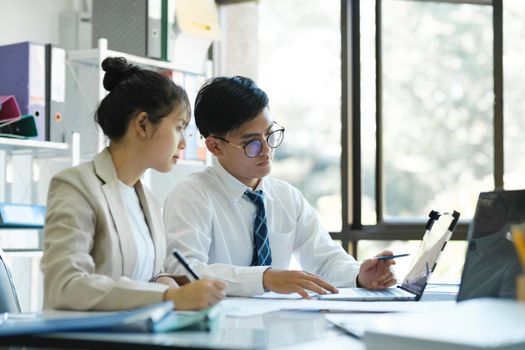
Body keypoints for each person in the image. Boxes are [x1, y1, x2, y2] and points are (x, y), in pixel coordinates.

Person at [163, 76, 396, 298]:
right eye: (251, 143)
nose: (267, 150)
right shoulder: (192, 195)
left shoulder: (286, 196)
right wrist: (263, 278)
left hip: (276, 325)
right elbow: (184, 271)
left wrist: (359, 275)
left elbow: (324, 259)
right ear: (215, 147)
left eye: (270, 134)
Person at [41, 57, 225, 311]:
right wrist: (167, 297)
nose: (183, 143)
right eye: (179, 127)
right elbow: (66, 286)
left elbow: (146, 276)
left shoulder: (146, 198)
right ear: (142, 124)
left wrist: (167, 283)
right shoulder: (76, 186)